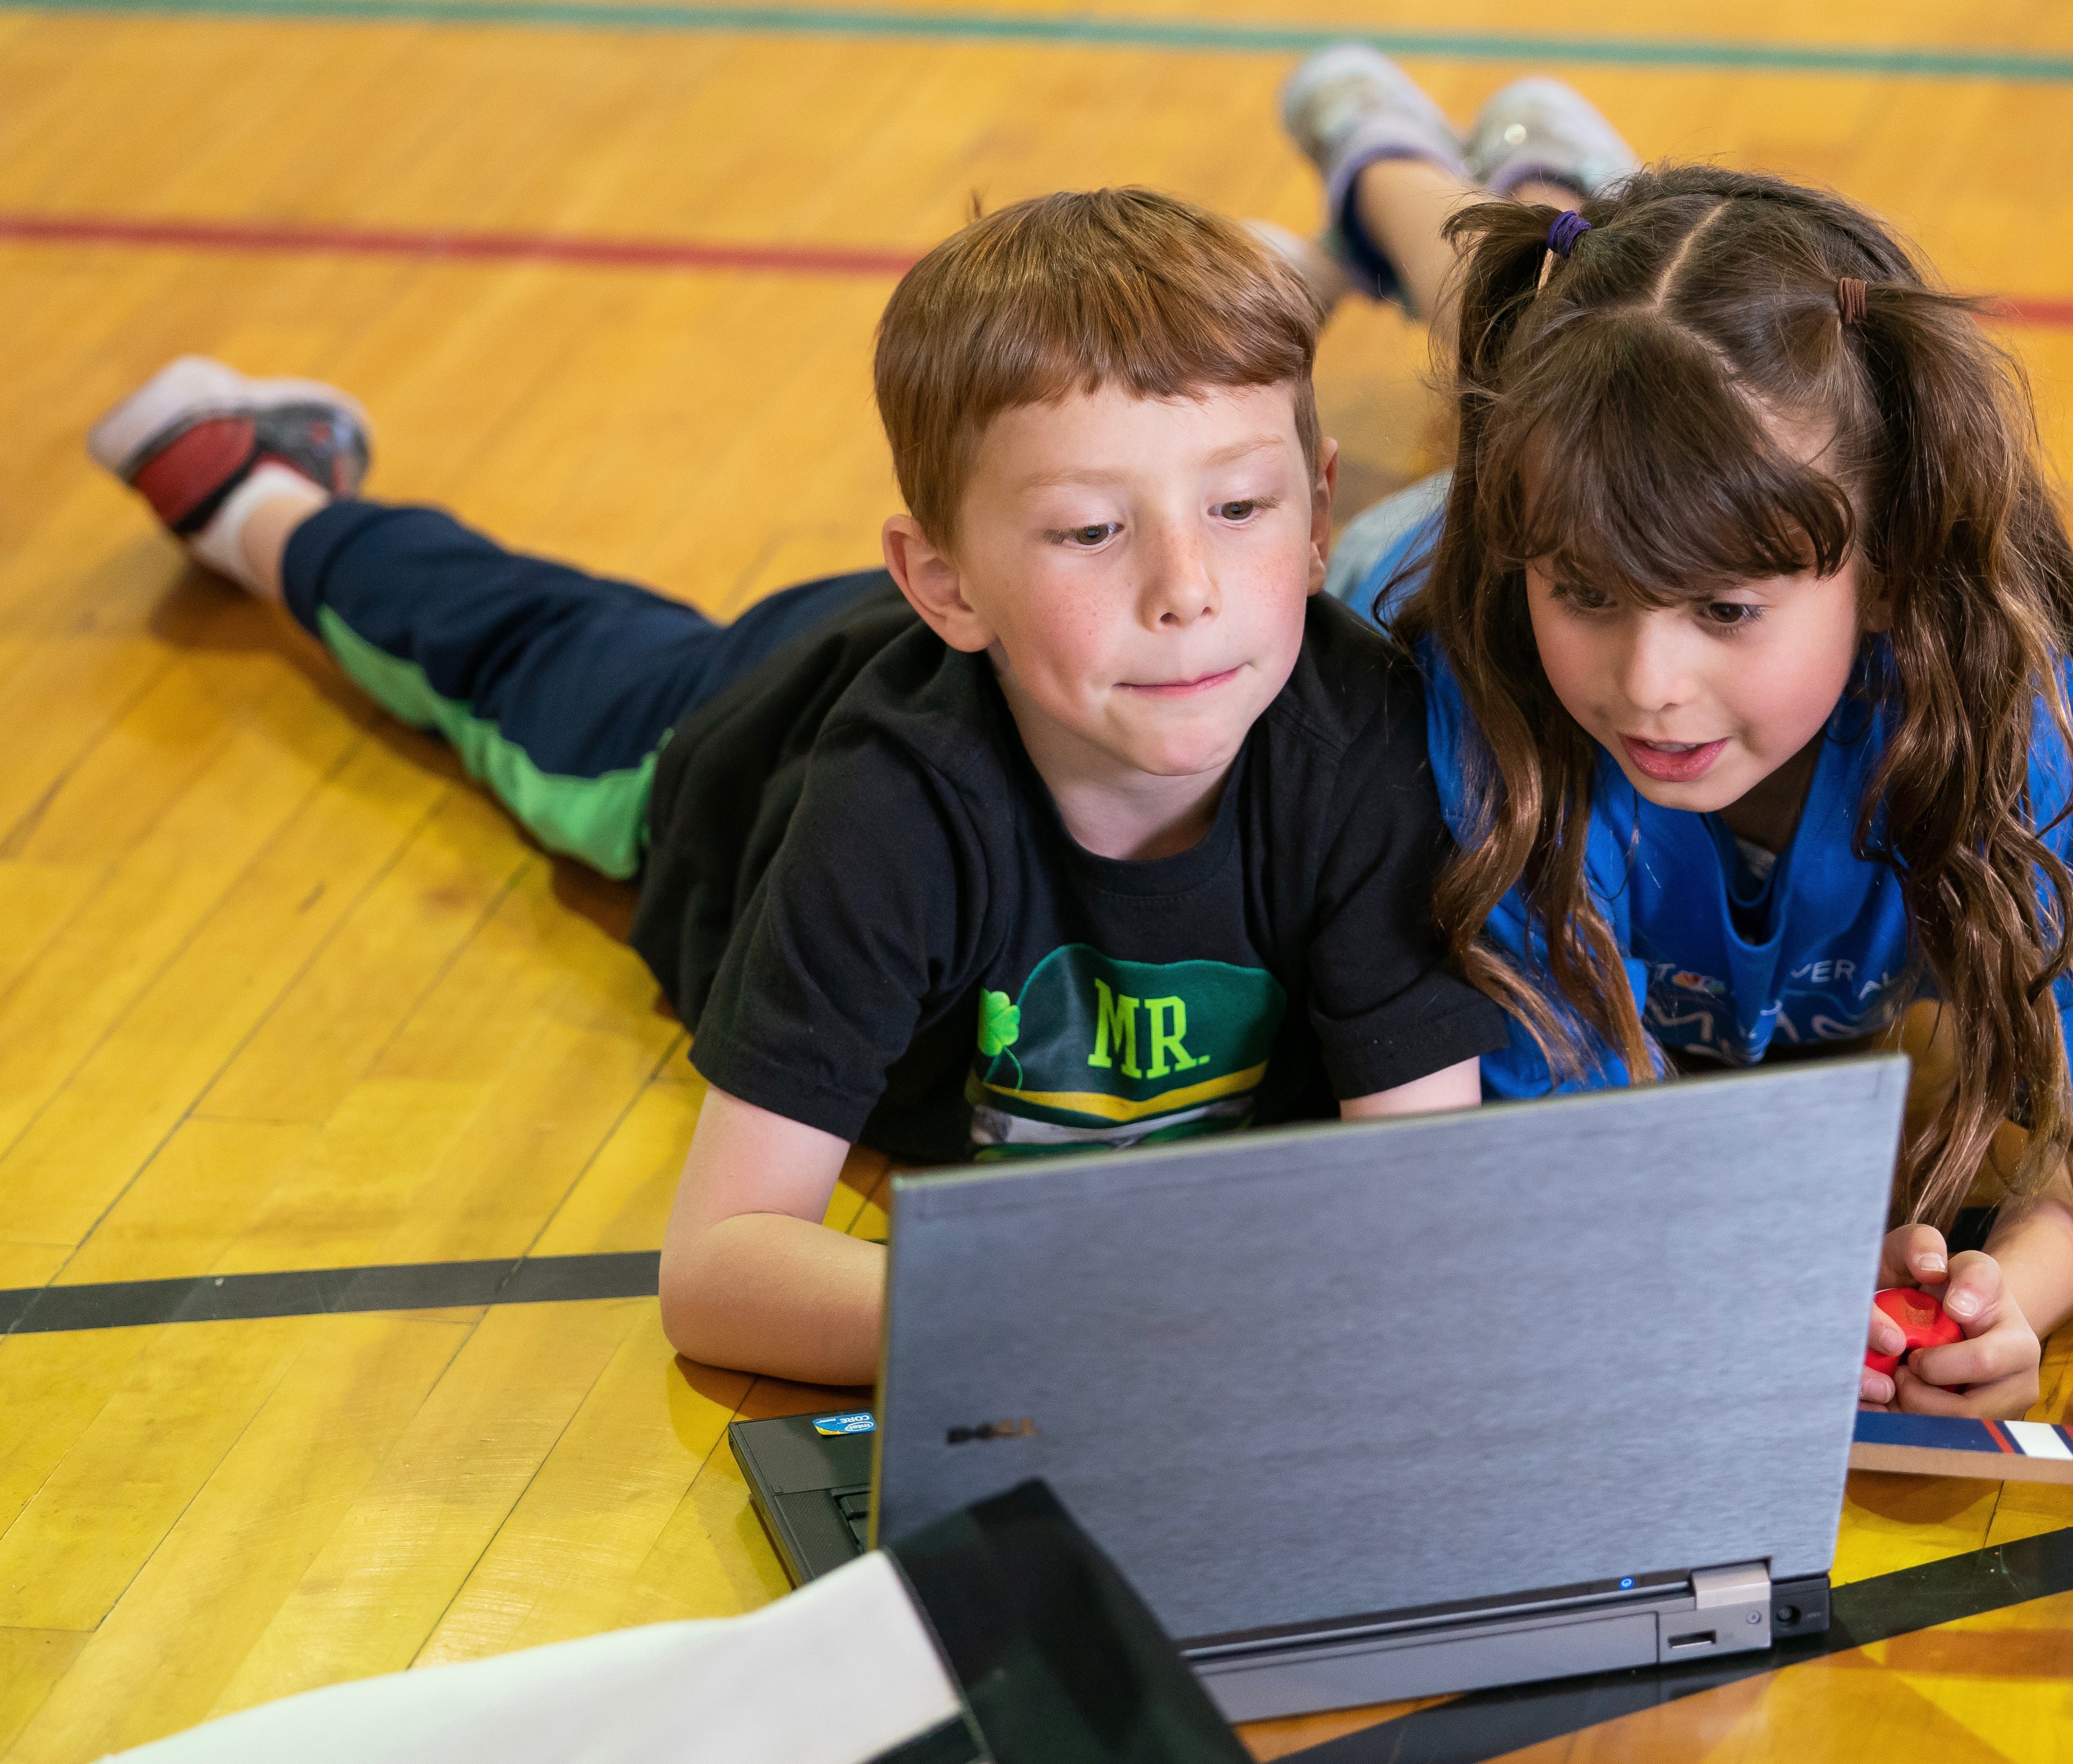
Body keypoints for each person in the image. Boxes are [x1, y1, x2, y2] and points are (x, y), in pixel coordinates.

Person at [85, 189, 1505, 1387]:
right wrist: (1050, 1330)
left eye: (1239, 508)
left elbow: (1423, 1212)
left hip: (1033, 656)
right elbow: (716, 1273)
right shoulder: (884, 808)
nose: (1187, 593)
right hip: (736, 724)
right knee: (502, 655)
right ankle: (256, 500)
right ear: (942, 579)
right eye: (1091, 526)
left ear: (1322, 516)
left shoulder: (1365, 750)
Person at [1280, 51, 2073, 1422]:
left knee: (1592, 342)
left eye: (1728, 608)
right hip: (1402, 554)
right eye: (1585, 594)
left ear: (1888, 566)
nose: (1651, 681)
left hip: (1613, 447)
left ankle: (1519, 177)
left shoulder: (2013, 718)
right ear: (1522, 564)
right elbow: (1592, 1171)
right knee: (1515, 358)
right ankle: (1402, 175)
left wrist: (2010, 1292)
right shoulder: (1468, 703)